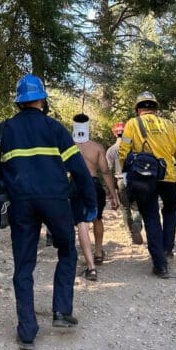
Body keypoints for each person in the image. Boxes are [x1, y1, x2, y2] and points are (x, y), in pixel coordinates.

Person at [0, 74, 97, 350]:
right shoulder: (54, 128)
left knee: (24, 264)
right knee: (67, 250)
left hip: (21, 201)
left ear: (19, 102)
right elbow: (78, 168)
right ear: (42, 100)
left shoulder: (5, 129)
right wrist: (90, 200)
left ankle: (27, 332)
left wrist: (6, 174)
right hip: (55, 200)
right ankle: (61, 312)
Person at [118, 91, 176, 279]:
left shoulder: (133, 124)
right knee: (170, 211)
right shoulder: (168, 125)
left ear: (138, 109)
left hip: (144, 178)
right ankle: (167, 248)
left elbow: (123, 151)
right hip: (168, 177)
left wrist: (125, 174)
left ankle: (160, 266)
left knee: (151, 217)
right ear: (156, 109)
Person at [71, 113, 119, 266]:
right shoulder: (97, 147)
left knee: (80, 221)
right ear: (88, 127)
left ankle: (82, 255)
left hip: (75, 183)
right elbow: (105, 171)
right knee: (97, 218)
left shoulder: (67, 146)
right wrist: (113, 194)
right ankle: (98, 253)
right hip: (93, 183)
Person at [105, 121, 143, 245]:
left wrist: (110, 192)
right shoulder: (135, 147)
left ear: (114, 134)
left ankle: (130, 233)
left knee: (125, 208)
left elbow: (107, 171)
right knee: (137, 207)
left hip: (120, 180)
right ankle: (137, 225)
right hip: (135, 179)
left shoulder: (111, 150)